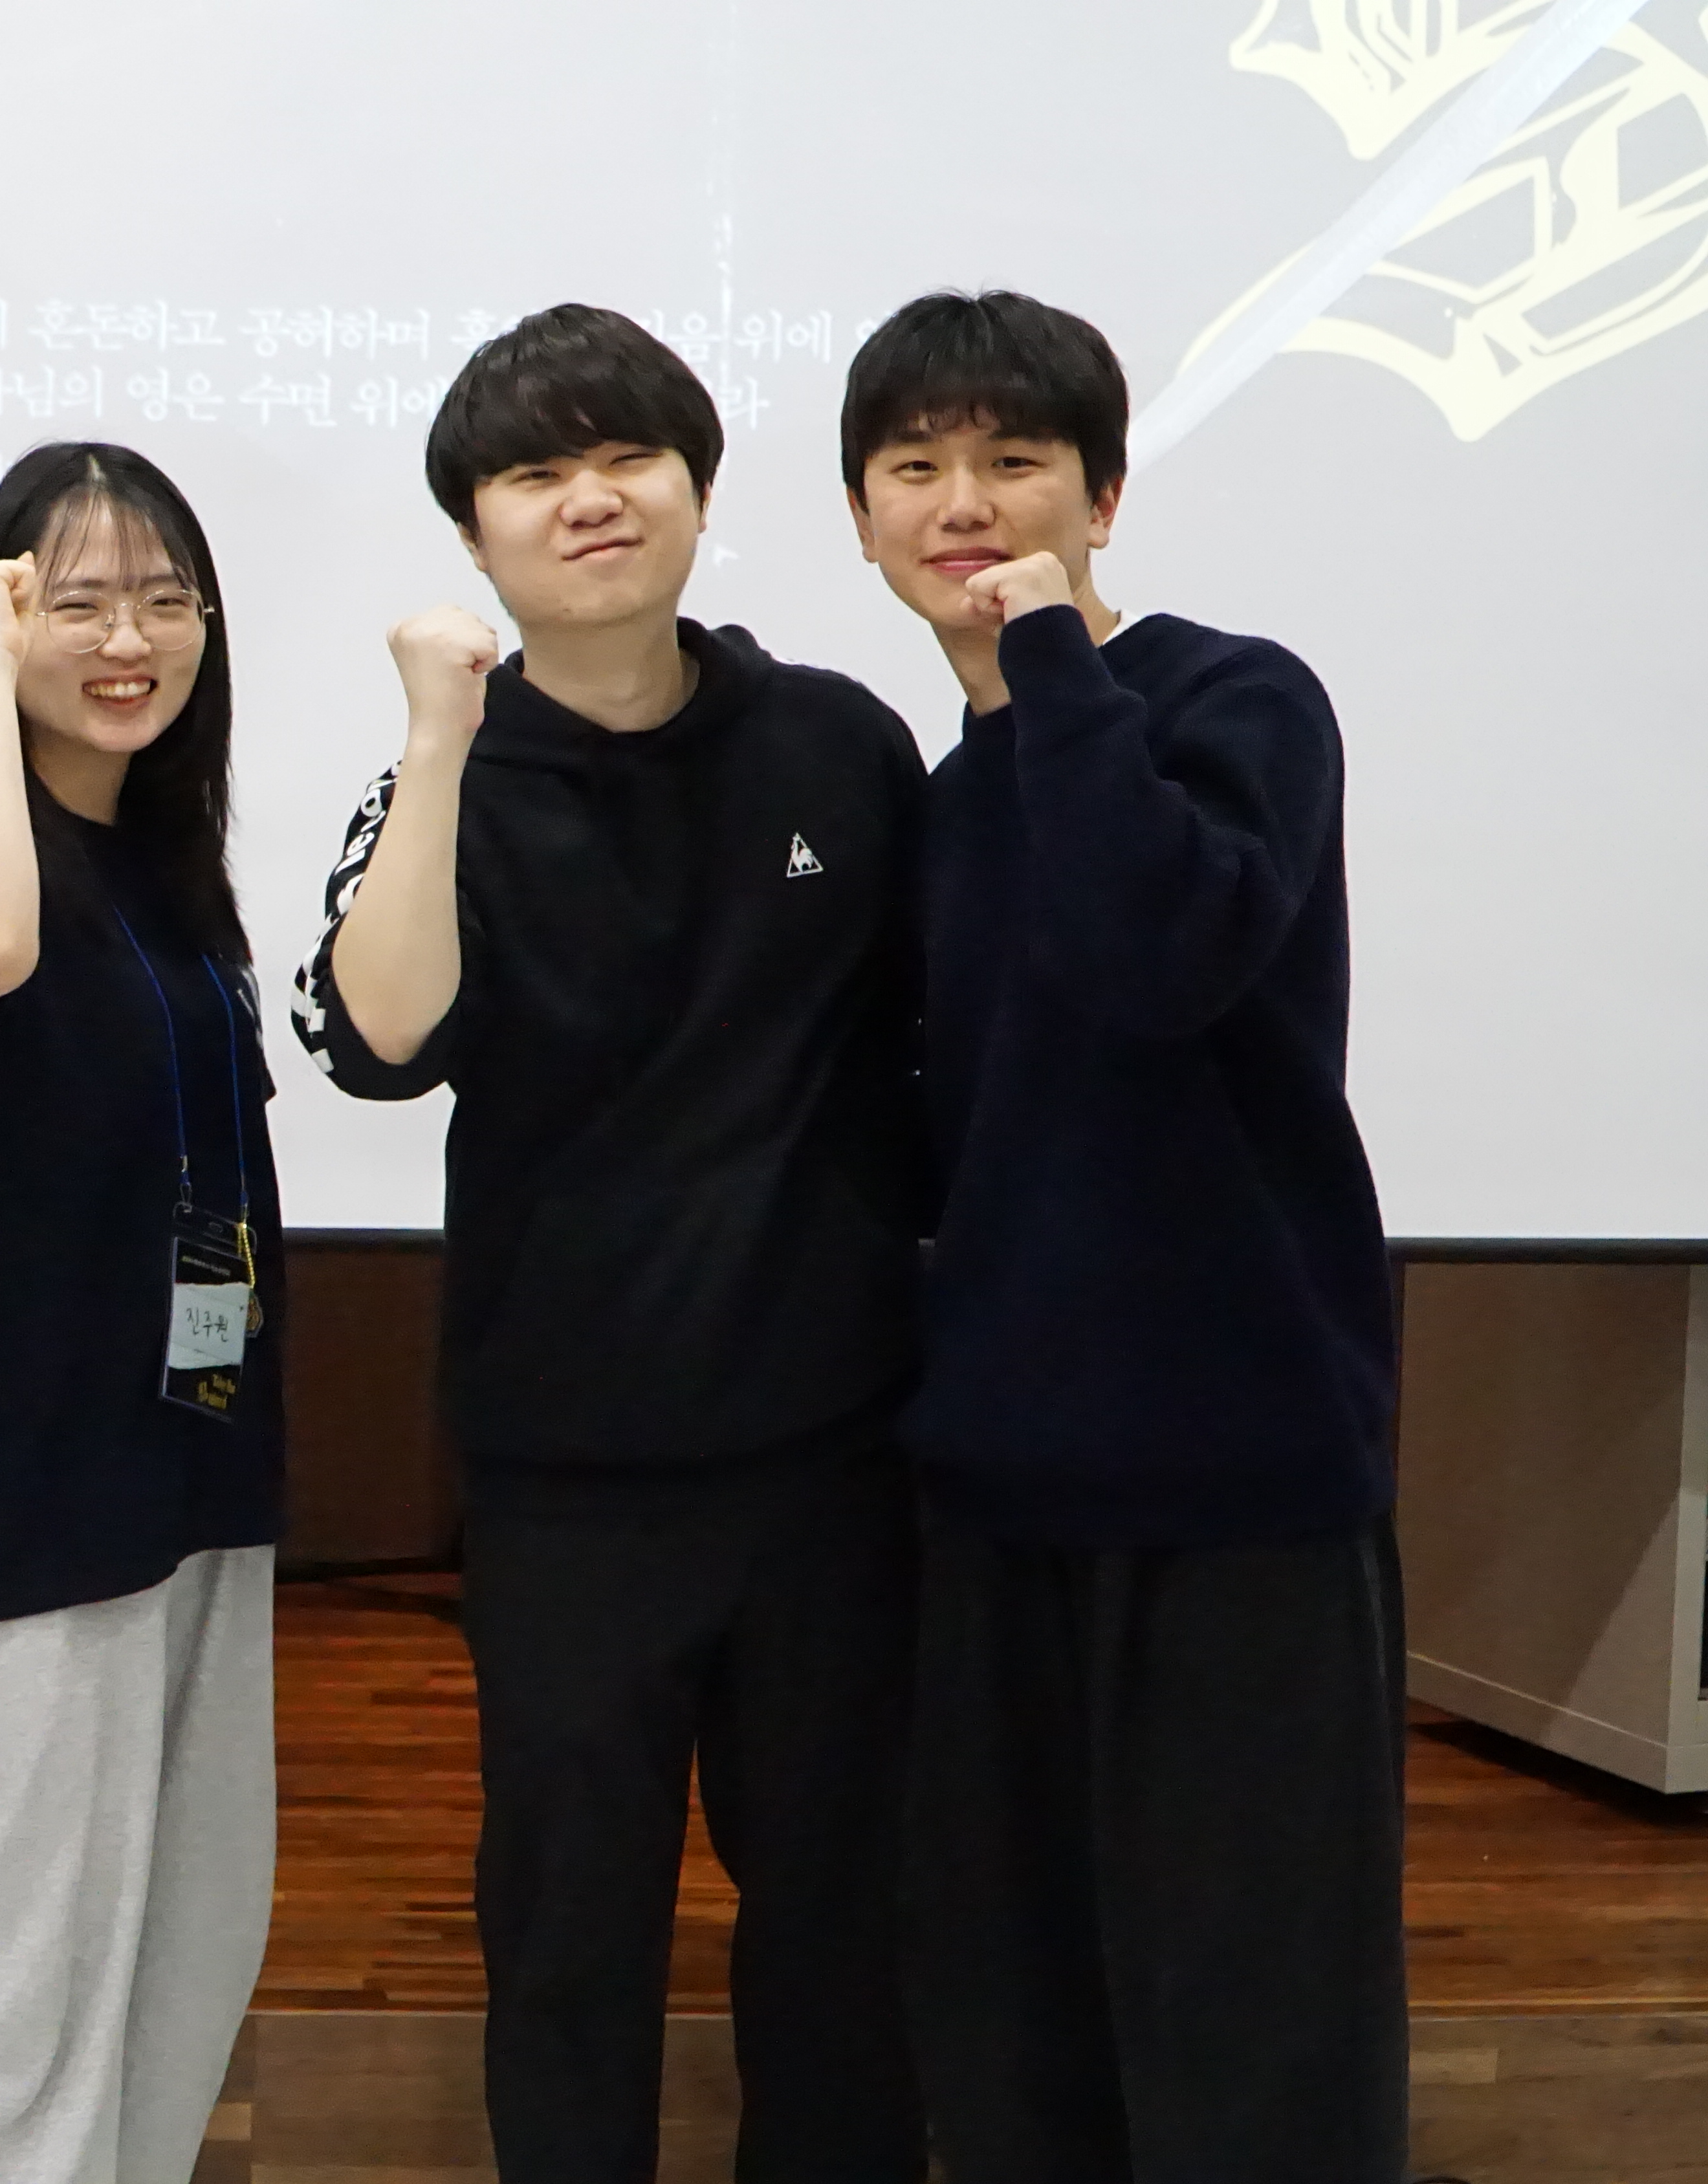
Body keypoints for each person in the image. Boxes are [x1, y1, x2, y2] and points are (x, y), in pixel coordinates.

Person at [292, 304, 928, 2184]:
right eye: (535, 473)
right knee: (571, 1940)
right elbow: (379, 1040)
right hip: (569, 1478)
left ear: (700, 490)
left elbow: (938, 1046)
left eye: (628, 456)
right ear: (475, 535)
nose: (590, 499)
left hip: (833, 1462)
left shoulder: (838, 744)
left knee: (844, 1926)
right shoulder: (450, 783)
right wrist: (439, 735)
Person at [843, 289, 1405, 2184]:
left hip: (1241, 1484)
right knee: (1021, 2028)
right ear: (860, 518)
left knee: (1255, 2030)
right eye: (916, 467)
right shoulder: (942, 808)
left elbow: (1159, 948)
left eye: (1015, 461)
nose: (964, 504)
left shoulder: (1234, 701)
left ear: (1103, 495)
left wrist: (1051, 670)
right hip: (1003, 1495)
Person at [0, 443, 287, 2182]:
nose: (130, 639)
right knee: (11, 1982)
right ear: (1, 616)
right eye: (80, 601)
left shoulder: (171, 872)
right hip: (40, 1511)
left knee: (183, 1948)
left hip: (198, 1482)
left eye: (166, 601)